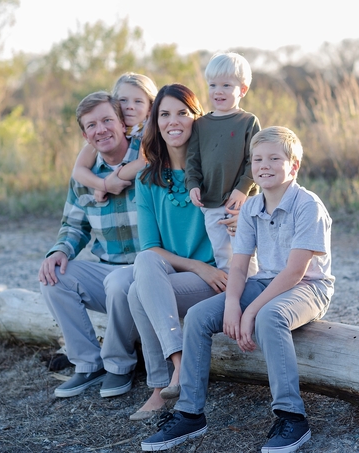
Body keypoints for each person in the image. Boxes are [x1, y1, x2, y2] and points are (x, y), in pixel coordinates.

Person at [141, 126, 335, 452]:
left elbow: (294, 272)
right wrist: (232, 302)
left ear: (294, 165)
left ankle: (292, 416)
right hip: (265, 281)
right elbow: (241, 266)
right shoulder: (251, 207)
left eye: (275, 158)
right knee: (202, 315)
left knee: (269, 317)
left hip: (308, 286)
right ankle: (189, 413)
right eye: (257, 159)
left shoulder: (308, 206)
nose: (264, 165)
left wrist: (252, 310)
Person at [127, 84, 230, 421]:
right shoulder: (147, 180)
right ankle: (180, 365)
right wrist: (198, 268)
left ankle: (159, 388)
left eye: (182, 113)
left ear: (196, 118)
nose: (174, 121)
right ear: (155, 123)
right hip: (190, 274)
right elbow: (150, 248)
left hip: (218, 279)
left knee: (136, 294)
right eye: (164, 114)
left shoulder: (218, 173)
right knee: (143, 264)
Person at [38, 91, 140, 400]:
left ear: (123, 123)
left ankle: (120, 366)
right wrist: (59, 251)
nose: (102, 130)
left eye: (108, 120)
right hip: (108, 269)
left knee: (120, 283)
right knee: (54, 277)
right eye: (92, 125)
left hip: (149, 268)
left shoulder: (147, 158)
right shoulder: (84, 175)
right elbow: (73, 224)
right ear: (85, 135)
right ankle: (88, 363)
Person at [185, 51, 260, 274]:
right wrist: (193, 185)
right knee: (222, 253)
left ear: (242, 90)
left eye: (227, 85)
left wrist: (242, 190)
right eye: (213, 85)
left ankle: (253, 293)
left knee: (245, 252)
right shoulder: (201, 124)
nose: (218, 91)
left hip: (241, 202)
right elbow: (193, 160)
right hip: (211, 202)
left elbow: (254, 159)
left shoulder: (248, 121)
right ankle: (230, 296)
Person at [72, 73, 157, 202]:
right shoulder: (104, 133)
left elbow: (142, 162)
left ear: (150, 108)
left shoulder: (151, 128)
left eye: (138, 101)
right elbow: (78, 171)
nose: (130, 106)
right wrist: (103, 185)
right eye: (123, 100)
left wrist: (108, 183)